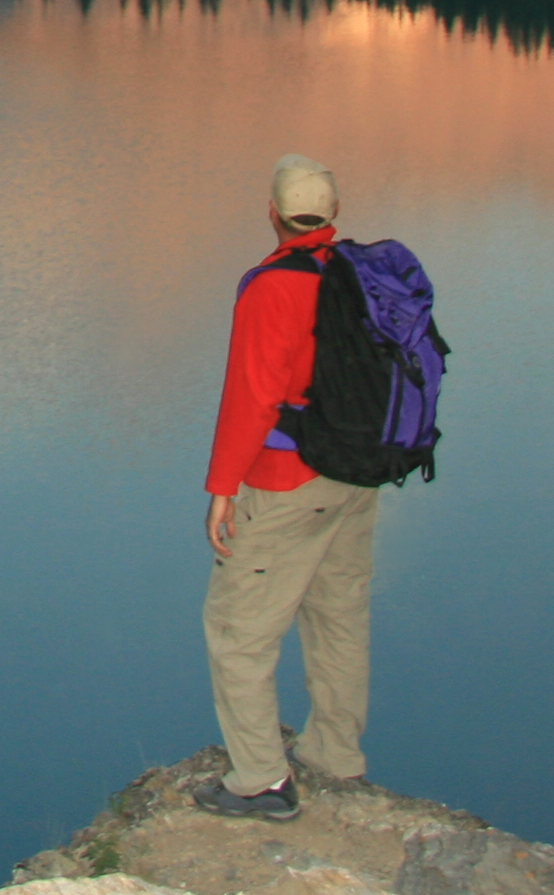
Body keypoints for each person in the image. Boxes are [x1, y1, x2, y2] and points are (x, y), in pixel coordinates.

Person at [193, 152, 376, 821]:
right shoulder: (358, 274)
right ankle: (336, 751)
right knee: (338, 614)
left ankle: (261, 781)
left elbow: (254, 395)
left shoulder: (274, 285)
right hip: (355, 474)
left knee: (237, 629)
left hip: (288, 479)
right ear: (332, 215)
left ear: (272, 214)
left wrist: (223, 486)